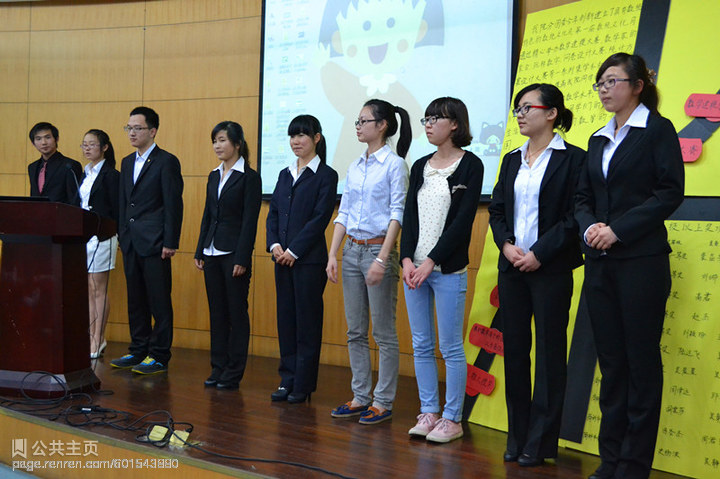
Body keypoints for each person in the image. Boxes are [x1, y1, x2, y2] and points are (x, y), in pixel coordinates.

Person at [575, 53, 684, 479]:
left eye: (613, 81)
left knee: (640, 364)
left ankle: (634, 465)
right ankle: (611, 460)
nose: (604, 89)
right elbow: (582, 197)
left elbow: (669, 192)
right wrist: (590, 228)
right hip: (600, 263)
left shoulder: (657, 129)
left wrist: (618, 230)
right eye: (600, 82)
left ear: (638, 86)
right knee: (611, 363)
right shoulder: (597, 138)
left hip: (641, 263)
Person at [488, 84, 585, 466]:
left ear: (552, 113)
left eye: (527, 107)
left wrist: (540, 253)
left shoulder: (573, 159)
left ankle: (541, 442)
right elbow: (497, 209)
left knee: (549, 354)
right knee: (515, 352)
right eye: (517, 108)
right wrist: (506, 245)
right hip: (512, 268)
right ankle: (517, 436)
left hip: (551, 269)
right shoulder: (512, 159)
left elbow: (575, 216)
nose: (520, 114)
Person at [401, 97, 483, 443]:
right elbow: (409, 216)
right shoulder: (421, 165)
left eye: (437, 118)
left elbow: (462, 223)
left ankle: (452, 418)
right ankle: (429, 412)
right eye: (427, 118)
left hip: (446, 269)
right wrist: (407, 260)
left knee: (450, 346)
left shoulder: (470, 165)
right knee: (421, 344)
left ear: (455, 124)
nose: (429, 124)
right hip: (414, 269)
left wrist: (431, 261)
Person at [326, 99, 410, 424]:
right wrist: (333, 253)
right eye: (357, 121)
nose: (358, 126)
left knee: (384, 333)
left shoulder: (395, 165)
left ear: (382, 125)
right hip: (351, 251)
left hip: (378, 251)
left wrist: (383, 258)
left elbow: (397, 214)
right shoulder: (355, 166)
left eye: (364, 121)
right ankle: (360, 396)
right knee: (355, 331)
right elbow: (344, 212)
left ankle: (383, 401)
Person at [266, 115, 338, 403]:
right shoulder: (285, 173)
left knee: (307, 323)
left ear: (316, 138)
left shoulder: (326, 175)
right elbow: (273, 213)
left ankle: (303, 384)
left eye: (302, 135)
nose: (296, 141)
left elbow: (320, 218)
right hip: (281, 259)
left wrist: (294, 251)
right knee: (286, 321)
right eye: (292, 136)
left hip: (308, 261)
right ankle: (287, 379)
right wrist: (275, 245)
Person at [110, 106, 184, 375]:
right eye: (128, 128)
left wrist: (170, 241)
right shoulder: (126, 162)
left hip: (155, 242)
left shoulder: (166, 161)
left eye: (137, 128)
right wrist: (121, 234)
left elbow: (173, 204)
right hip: (131, 241)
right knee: (136, 299)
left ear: (152, 131)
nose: (132, 133)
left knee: (159, 300)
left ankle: (159, 354)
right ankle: (138, 349)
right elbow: (123, 202)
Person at [194, 121, 261, 390]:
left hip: (233, 253)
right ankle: (217, 367)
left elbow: (250, 221)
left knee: (236, 313)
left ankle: (233, 372)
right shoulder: (213, 175)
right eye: (215, 141)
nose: (217, 146)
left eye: (222, 140)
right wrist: (200, 249)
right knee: (217, 313)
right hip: (211, 250)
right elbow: (207, 215)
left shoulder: (249, 177)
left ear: (237, 144)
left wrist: (242, 258)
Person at [78, 129, 120, 359]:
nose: (87, 148)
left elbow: (116, 209)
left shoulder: (111, 175)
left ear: (104, 147)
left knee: (98, 288)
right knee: (88, 288)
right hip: (83, 237)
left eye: (92, 144)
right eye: (84, 144)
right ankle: (90, 336)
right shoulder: (85, 173)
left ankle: (98, 337)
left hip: (103, 236)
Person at [28, 122, 83, 205]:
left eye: (48, 137)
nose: (43, 142)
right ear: (33, 143)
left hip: (61, 212)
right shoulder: (32, 167)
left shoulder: (70, 165)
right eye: (38, 139)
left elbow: (74, 200)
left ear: (56, 139)